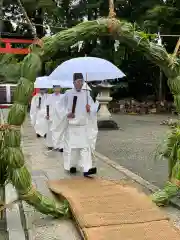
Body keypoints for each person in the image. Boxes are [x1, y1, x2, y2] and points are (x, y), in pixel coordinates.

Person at [53, 73, 97, 177]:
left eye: (82, 81)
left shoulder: (86, 95)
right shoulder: (68, 94)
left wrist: (89, 109)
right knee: (72, 148)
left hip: (82, 126)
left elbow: (93, 108)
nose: (80, 83)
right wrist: (67, 114)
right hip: (72, 126)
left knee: (85, 148)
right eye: (78, 81)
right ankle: (71, 166)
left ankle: (87, 169)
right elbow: (59, 108)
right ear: (73, 82)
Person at [45, 85, 64, 151]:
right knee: (51, 131)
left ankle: (61, 146)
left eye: (58, 87)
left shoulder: (63, 96)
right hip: (52, 116)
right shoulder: (50, 96)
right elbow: (47, 105)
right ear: (53, 89)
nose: (57, 89)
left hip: (60, 117)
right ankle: (50, 144)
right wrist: (47, 114)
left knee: (60, 131)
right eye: (55, 88)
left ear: (60, 88)